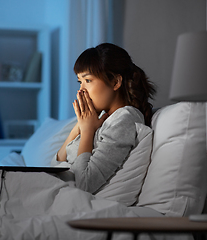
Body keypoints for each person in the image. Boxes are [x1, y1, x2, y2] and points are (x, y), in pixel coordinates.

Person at [53, 43, 156, 194]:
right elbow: (55, 165)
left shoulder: (124, 119)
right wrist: (79, 128)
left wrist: (87, 131)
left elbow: (84, 184)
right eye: (80, 82)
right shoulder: (101, 120)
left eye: (88, 80)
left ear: (115, 82)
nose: (81, 90)